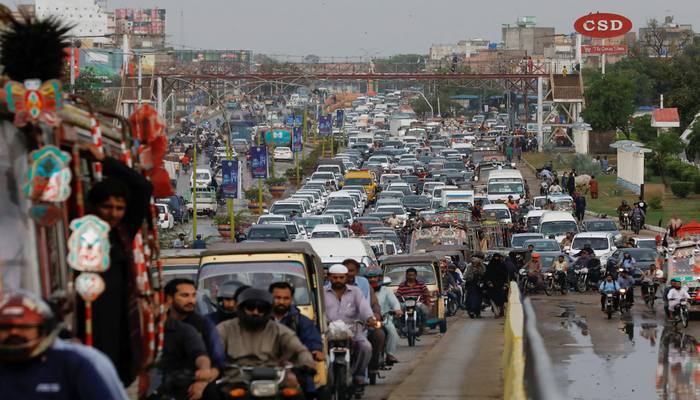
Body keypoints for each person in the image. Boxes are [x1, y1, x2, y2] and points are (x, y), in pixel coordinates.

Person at [81, 143, 153, 386]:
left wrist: (105, 160)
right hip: (88, 320)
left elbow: (143, 187)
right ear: (93, 207)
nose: (113, 214)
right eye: (107, 207)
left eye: (119, 208)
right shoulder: (80, 233)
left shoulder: (122, 234)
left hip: (118, 321)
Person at [0, 291, 129, 400]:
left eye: (24, 327)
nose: (13, 333)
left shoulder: (80, 362)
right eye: (5, 328)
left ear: (44, 329)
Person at [217, 288, 315, 382]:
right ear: (241, 308)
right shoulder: (225, 328)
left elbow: (298, 349)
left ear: (267, 311)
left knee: (296, 392)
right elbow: (213, 350)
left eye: (261, 309)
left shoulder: (278, 330)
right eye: (250, 308)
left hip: (273, 379)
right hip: (234, 379)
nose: (255, 312)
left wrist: (307, 363)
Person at [156, 285, 217, 400]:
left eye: (156, 305)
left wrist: (204, 370)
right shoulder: (135, 332)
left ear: (166, 305)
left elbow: (200, 354)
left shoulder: (184, 330)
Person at [323, 264, 376, 388]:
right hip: (328, 331)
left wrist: (369, 318)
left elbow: (364, 307)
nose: (338, 280)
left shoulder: (355, 291)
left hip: (352, 330)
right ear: (329, 277)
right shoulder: (322, 292)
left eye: (341, 277)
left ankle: (359, 375)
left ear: (346, 277)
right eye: (335, 277)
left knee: (366, 347)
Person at [269, 282, 323, 396]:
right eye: (277, 298)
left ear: (291, 299)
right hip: (262, 366)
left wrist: (315, 351)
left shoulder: (301, 321)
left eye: (286, 298)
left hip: (292, 367)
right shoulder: (260, 318)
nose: (282, 302)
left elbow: (311, 340)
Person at [164, 279, 225, 377]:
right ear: (170, 298)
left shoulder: (204, 324)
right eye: (185, 295)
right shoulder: (160, 325)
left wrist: (204, 381)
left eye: (193, 295)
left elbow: (218, 360)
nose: (191, 300)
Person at [365, 270, 402, 365]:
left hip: (384, 319)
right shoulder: (362, 290)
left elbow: (394, 301)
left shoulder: (385, 290)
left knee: (392, 332)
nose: (372, 279)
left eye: (374, 277)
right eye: (370, 277)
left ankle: (389, 354)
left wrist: (397, 309)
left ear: (380, 278)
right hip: (366, 319)